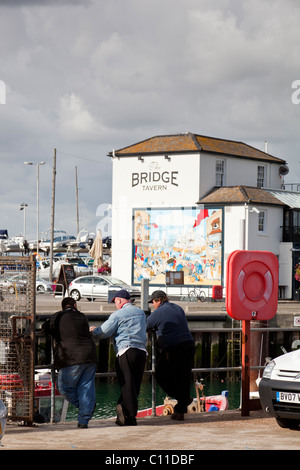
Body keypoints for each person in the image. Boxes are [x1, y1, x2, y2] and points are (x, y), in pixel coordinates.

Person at [90, 289, 147, 426]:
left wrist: (93, 330)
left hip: (125, 351)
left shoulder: (118, 314)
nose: (115, 305)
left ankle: (131, 417)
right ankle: (123, 409)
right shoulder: (141, 313)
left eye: (115, 302)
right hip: (141, 351)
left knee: (126, 384)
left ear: (119, 301)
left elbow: (103, 332)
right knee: (135, 386)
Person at [42, 297, 97, 428]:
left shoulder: (58, 316)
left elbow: (45, 329)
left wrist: (46, 323)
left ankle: (86, 408)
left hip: (71, 358)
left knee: (64, 388)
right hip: (90, 356)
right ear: (75, 305)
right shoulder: (83, 317)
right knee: (86, 388)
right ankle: (84, 418)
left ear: (63, 307)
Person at [147, 290, 195, 421]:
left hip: (173, 347)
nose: (153, 305)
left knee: (161, 374)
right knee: (183, 377)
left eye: (154, 302)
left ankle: (184, 399)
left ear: (159, 300)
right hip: (189, 345)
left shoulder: (159, 312)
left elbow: (146, 325)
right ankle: (180, 410)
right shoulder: (178, 308)